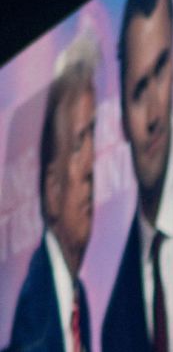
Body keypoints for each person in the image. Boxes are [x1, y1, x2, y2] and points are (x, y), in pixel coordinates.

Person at [102, 0, 173, 352]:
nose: (155, 112)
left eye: (160, 70)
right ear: (121, 114)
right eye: (139, 90)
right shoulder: (114, 316)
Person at [8, 34, 98, 352]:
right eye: (77, 145)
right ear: (51, 190)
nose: (91, 166)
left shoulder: (76, 298)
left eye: (93, 136)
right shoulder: (36, 314)